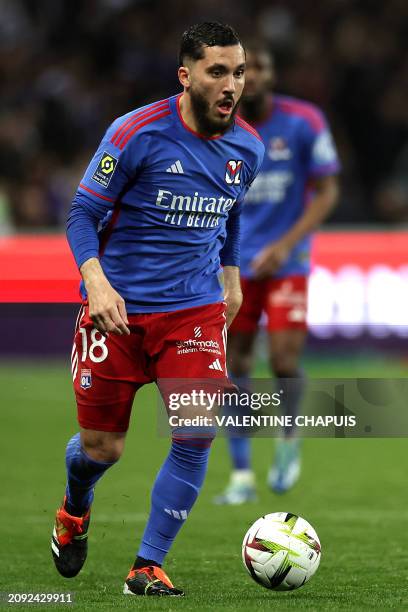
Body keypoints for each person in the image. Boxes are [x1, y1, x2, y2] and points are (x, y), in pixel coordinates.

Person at [50, 22, 264, 596]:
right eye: (217, 71)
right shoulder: (135, 133)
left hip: (193, 310)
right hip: (115, 311)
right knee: (102, 449)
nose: (231, 85)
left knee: (195, 431)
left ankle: (147, 565)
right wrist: (96, 282)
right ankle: (75, 505)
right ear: (186, 74)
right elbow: (81, 217)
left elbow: (232, 210)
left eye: (238, 72)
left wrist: (232, 276)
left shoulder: (248, 146)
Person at [215, 42, 340, 504]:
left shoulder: (304, 121)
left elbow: (327, 191)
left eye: (258, 67)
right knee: (237, 365)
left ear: (270, 74)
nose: (253, 76)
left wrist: (286, 243)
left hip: (289, 262)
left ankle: (288, 439)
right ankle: (242, 475)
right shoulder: (221, 129)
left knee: (284, 362)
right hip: (235, 266)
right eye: (244, 70)